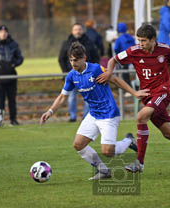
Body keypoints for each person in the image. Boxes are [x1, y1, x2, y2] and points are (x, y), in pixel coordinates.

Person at [103, 24, 170, 173]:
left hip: (162, 92)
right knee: (169, 133)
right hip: (148, 95)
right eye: (138, 40)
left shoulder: (166, 49)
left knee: (141, 117)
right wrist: (109, 72)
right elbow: (113, 60)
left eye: (143, 41)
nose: (140, 44)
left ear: (153, 39)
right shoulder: (134, 51)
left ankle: (139, 163)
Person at [41, 42, 149, 180]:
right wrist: (50, 111)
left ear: (84, 58)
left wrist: (134, 93)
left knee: (108, 151)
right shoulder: (72, 76)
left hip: (108, 114)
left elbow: (115, 79)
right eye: (71, 60)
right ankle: (103, 171)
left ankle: (128, 140)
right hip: (93, 115)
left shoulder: (96, 69)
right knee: (78, 145)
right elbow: (63, 96)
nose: (73, 63)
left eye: (76, 60)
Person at [59, 23, 99, 122]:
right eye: (75, 29)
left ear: (82, 30)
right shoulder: (66, 43)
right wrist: (66, 72)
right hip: (73, 76)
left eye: (79, 29)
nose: (77, 31)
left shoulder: (89, 42)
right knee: (71, 97)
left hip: (87, 76)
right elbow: (61, 58)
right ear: (72, 31)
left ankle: (86, 116)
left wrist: (93, 71)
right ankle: (73, 116)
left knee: (88, 97)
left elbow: (96, 57)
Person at [0, 25, 24, 126]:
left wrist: (13, 64)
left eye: (5, 32)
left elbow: (20, 57)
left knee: (12, 99)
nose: (3, 34)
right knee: (0, 98)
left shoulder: (13, 44)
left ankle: (13, 119)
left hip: (11, 75)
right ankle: (0, 119)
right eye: (1, 32)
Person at [114, 22, 135, 86]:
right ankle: (135, 87)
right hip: (133, 58)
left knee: (125, 74)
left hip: (123, 59)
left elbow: (116, 49)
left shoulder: (119, 39)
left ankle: (127, 89)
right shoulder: (131, 37)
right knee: (134, 74)